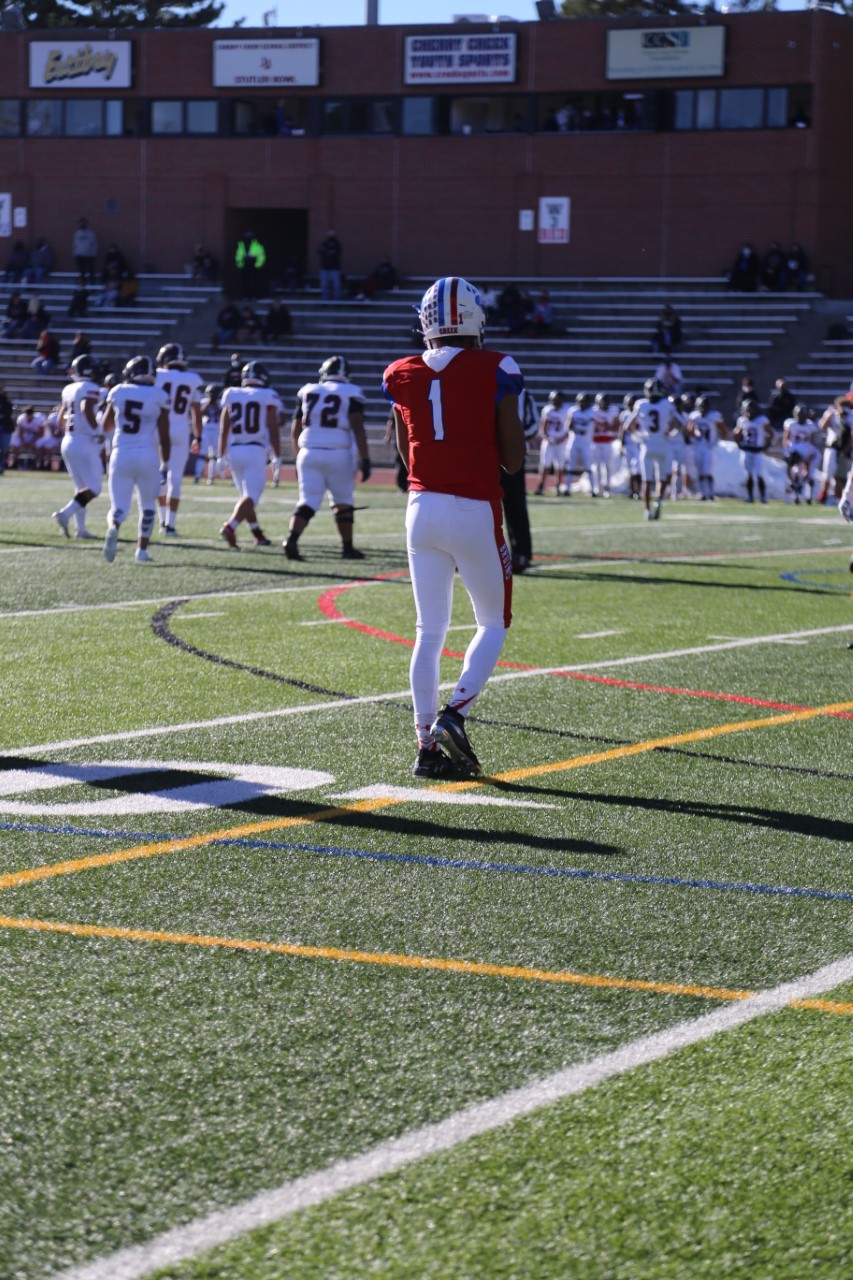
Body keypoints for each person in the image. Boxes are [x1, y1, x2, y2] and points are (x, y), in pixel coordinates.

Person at [382, 276, 525, 780]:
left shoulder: (399, 372)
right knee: (492, 622)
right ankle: (454, 713)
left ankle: (425, 748)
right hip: (474, 509)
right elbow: (512, 460)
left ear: (426, 322)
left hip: (421, 507)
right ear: (476, 319)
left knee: (429, 629)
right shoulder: (497, 367)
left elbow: (403, 451)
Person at [284, 354, 371, 561]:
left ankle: (291, 539)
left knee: (307, 501)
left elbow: (295, 428)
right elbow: (358, 427)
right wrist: (365, 459)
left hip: (309, 451)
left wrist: (298, 454)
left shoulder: (308, 390)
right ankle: (347, 548)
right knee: (343, 501)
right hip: (338, 452)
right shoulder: (351, 392)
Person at [101, 355, 171, 564]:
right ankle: (141, 550)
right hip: (147, 453)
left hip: (121, 451)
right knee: (148, 505)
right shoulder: (159, 394)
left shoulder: (119, 391)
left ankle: (114, 526)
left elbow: (105, 426)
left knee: (118, 506)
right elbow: (164, 435)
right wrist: (165, 464)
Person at [218, 361, 281, 549]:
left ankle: (257, 533)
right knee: (251, 496)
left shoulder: (231, 393)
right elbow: (272, 427)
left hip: (234, 449)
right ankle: (230, 526)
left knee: (245, 497)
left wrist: (221, 454)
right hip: (255, 449)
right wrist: (277, 455)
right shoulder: (267, 395)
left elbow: (224, 428)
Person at [154, 342, 204, 536]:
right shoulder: (192, 379)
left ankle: (161, 520)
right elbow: (197, 413)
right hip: (181, 429)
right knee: (175, 479)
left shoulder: (158, 375)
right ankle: (170, 525)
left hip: (159, 428)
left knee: (160, 476)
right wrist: (198, 436)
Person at [52, 354, 103, 539]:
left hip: (69, 440)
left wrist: (72, 434)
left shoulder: (68, 389)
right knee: (94, 488)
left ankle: (80, 530)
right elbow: (86, 409)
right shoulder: (90, 387)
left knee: (81, 487)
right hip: (83, 441)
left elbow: (60, 418)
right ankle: (65, 514)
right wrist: (98, 432)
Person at [624, 378, 684, 520]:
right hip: (663, 444)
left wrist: (640, 435)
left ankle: (646, 511)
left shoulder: (641, 404)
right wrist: (672, 435)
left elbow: (627, 426)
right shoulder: (666, 404)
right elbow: (681, 423)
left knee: (647, 480)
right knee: (663, 478)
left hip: (647, 445)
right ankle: (659, 501)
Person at [502, 385, 537, 573]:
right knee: (478, 505)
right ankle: (474, 553)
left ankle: (522, 552)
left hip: (512, 455)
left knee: (516, 505)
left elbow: (534, 423)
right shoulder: (481, 386)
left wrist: (515, 437)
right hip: (485, 455)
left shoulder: (523, 393)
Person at [688, 394, 727, 501]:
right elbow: (690, 430)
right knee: (701, 471)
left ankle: (711, 492)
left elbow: (724, 430)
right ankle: (703, 493)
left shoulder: (714, 416)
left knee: (707, 471)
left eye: (704, 406)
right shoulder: (694, 416)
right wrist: (693, 439)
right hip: (699, 446)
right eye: (701, 406)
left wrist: (717, 441)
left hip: (709, 447)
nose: (703, 409)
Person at [734, 399, 772, 504]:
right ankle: (750, 497)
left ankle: (763, 497)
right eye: (747, 409)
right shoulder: (742, 420)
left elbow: (772, 434)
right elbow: (737, 434)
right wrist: (738, 442)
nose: (749, 412)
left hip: (758, 451)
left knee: (760, 475)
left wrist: (767, 446)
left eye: (751, 409)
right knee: (748, 475)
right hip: (747, 450)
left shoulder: (761, 420)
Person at [782, 403, 820, 504]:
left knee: (809, 476)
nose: (800, 416)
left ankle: (809, 497)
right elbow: (786, 439)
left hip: (809, 452)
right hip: (795, 451)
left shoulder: (811, 425)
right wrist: (787, 452)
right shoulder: (791, 424)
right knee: (795, 475)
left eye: (802, 414)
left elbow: (813, 442)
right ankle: (796, 496)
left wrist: (809, 456)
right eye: (799, 414)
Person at [534, 390, 569, 496]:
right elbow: (543, 426)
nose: (556, 402)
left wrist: (561, 439)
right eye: (554, 400)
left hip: (561, 441)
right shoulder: (547, 409)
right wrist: (546, 437)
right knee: (545, 464)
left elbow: (568, 428)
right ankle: (540, 486)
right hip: (548, 441)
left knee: (560, 465)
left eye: (557, 400)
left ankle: (558, 487)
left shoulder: (567, 410)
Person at [565, 391, 597, 496]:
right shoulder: (573, 411)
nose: (582, 403)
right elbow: (569, 425)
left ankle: (593, 491)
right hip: (574, 442)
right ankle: (567, 490)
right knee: (570, 467)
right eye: (580, 401)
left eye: (583, 401)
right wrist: (576, 428)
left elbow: (596, 426)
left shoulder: (592, 412)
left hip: (586, 443)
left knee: (588, 467)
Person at [591, 392, 618, 498]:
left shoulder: (613, 410)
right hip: (595, 442)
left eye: (605, 402)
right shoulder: (592, 411)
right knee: (596, 466)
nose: (604, 405)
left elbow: (616, 427)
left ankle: (607, 488)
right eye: (602, 402)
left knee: (608, 466)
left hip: (607, 441)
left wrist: (607, 426)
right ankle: (597, 488)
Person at [194, 383, 222, 485]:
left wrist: (215, 404)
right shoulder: (204, 402)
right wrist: (209, 402)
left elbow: (221, 414)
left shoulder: (220, 403)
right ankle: (197, 476)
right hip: (206, 428)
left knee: (213, 455)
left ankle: (211, 477)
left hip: (217, 429)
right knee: (202, 453)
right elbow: (200, 413)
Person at [235, 230, 266, 298]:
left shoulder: (257, 245)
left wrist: (258, 265)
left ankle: (254, 296)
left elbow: (261, 256)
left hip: (254, 265)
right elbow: (238, 255)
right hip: (245, 265)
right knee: (245, 282)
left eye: (250, 236)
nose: (249, 237)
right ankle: (246, 296)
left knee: (254, 282)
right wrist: (240, 264)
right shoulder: (241, 244)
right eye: (248, 235)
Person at [317, 229, 342, 301]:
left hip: (335, 268)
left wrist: (327, 251)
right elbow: (320, 250)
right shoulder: (324, 243)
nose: (331, 234)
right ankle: (325, 301)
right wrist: (327, 251)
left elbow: (336, 252)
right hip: (324, 268)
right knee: (324, 286)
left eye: (332, 233)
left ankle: (337, 301)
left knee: (336, 286)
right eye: (329, 233)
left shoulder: (337, 244)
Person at [72, 217, 98, 286]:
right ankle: (83, 286)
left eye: (83, 222)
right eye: (80, 223)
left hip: (89, 255)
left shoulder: (91, 233)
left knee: (91, 271)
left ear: (86, 223)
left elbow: (94, 244)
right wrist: (75, 253)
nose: (82, 224)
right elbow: (75, 243)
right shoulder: (77, 233)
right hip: (79, 255)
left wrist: (94, 253)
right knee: (81, 272)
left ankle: (93, 287)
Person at [0, 386, 13, 474]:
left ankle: (2, 466)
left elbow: (7, 415)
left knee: (4, 449)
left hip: (5, 429)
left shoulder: (7, 403)